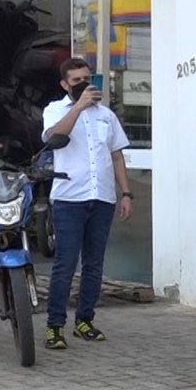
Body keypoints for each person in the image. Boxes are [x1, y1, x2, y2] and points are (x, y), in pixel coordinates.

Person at [40, 57, 135, 350]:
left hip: (102, 197)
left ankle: (85, 320)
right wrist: (78, 107)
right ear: (64, 84)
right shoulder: (55, 110)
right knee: (65, 264)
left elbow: (116, 155)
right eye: (76, 80)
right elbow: (54, 137)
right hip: (69, 198)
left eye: (87, 78)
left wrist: (126, 193)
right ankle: (55, 325)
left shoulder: (106, 115)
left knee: (94, 264)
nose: (83, 84)